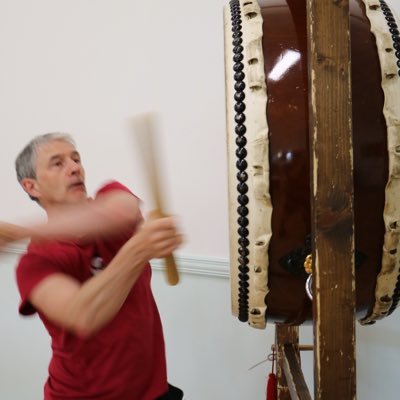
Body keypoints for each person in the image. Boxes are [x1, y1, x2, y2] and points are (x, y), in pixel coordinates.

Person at [0, 133, 184, 399]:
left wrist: (21, 230)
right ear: (32, 186)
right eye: (57, 163)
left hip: (153, 392)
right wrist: (137, 250)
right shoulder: (35, 264)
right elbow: (84, 315)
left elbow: (120, 212)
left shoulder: (111, 196)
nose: (75, 167)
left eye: (76, 159)